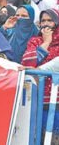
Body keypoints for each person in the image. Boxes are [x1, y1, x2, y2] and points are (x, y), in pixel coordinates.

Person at [22, 8, 59, 143]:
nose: (46, 24)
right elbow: (27, 62)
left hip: (57, 101)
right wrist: (46, 42)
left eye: (50, 20)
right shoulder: (35, 41)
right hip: (39, 99)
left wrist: (39, 68)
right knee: (39, 137)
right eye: (43, 20)